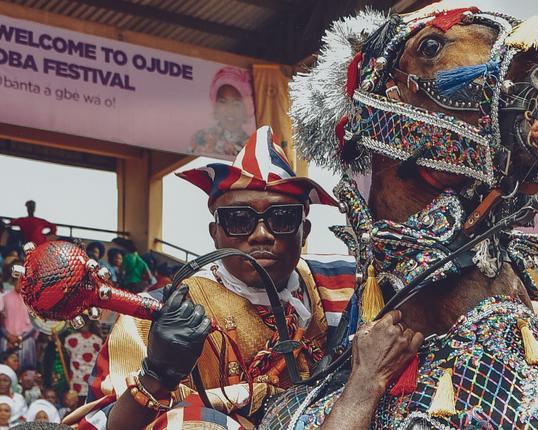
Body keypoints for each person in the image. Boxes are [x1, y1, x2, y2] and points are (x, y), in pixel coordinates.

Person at [69, 127, 421, 429]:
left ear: (305, 230)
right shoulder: (157, 315)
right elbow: (97, 425)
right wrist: (156, 375)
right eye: (239, 220)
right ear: (215, 233)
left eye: (282, 219)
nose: (262, 234)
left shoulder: (347, 285)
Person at [189, 66, 254, 157]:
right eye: (223, 102)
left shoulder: (253, 147)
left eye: (236, 104)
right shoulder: (200, 137)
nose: (230, 110)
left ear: (246, 109)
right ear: (215, 106)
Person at [0, 259, 37, 369]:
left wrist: (21, 337)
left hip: (26, 341)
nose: (20, 282)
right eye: (18, 279)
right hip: (6, 340)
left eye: (23, 280)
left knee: (26, 370)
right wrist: (8, 336)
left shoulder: (33, 300)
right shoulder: (3, 297)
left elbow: (36, 324)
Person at [62, 323, 102, 400]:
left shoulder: (97, 340)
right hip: (83, 376)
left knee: (82, 399)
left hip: (82, 376)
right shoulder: (98, 340)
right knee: (88, 397)